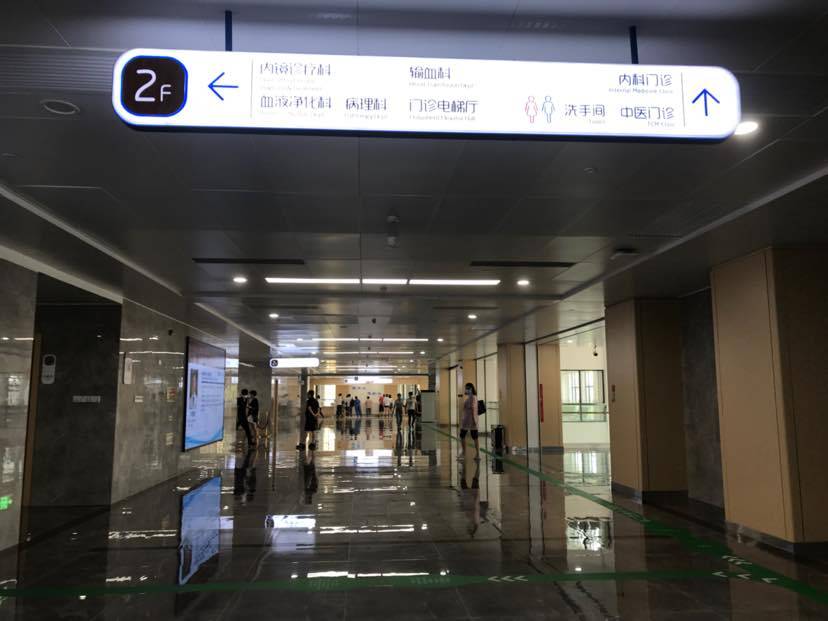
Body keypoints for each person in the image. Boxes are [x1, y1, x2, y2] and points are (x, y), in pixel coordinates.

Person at [460, 382, 480, 460]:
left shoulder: (473, 397)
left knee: (474, 437)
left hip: (471, 420)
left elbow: (473, 409)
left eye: (468, 388)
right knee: (462, 435)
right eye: (466, 388)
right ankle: (464, 452)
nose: (466, 390)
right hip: (466, 420)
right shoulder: (469, 398)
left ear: (471, 389)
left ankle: (477, 454)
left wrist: (475, 421)